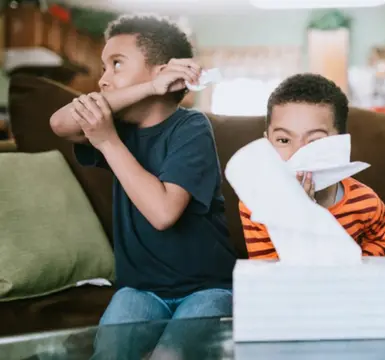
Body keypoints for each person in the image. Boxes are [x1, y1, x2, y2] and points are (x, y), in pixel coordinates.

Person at [49, 14, 236, 357]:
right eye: (103, 67)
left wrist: (108, 142)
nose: (103, 80)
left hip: (208, 290)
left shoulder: (191, 128)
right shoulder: (118, 126)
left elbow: (163, 213)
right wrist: (148, 88)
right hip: (139, 291)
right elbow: (59, 123)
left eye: (116, 65)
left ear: (163, 71)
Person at [239, 73, 385, 259]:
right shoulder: (255, 206)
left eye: (314, 140)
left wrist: (359, 266)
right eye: (283, 140)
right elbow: (270, 274)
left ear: (340, 144)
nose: (298, 152)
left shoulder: (365, 202)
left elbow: (384, 236)